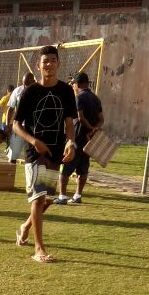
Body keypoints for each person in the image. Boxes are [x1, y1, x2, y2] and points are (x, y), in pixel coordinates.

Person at [12, 45, 76, 263]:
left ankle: (25, 227)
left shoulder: (66, 91)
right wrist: (34, 141)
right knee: (39, 198)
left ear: (58, 63)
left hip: (55, 151)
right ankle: (39, 249)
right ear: (38, 66)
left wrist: (71, 142)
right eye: (45, 61)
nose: (49, 64)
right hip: (34, 152)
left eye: (52, 60)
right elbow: (16, 125)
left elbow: (69, 123)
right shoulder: (30, 92)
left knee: (46, 200)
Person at [55, 71, 104, 205]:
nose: (73, 87)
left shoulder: (79, 97)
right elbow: (101, 119)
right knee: (83, 168)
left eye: (73, 84)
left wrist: (89, 128)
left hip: (77, 137)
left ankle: (62, 196)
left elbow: (81, 118)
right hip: (89, 140)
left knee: (66, 167)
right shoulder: (96, 98)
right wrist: (94, 129)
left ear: (77, 84)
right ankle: (77, 195)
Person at [6, 72, 36, 163]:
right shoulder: (17, 91)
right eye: (24, 84)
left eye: (27, 83)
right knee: (13, 155)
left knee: (32, 157)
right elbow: (10, 109)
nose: (25, 86)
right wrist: (8, 125)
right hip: (18, 127)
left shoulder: (38, 90)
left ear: (33, 81)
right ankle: (10, 171)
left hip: (32, 128)